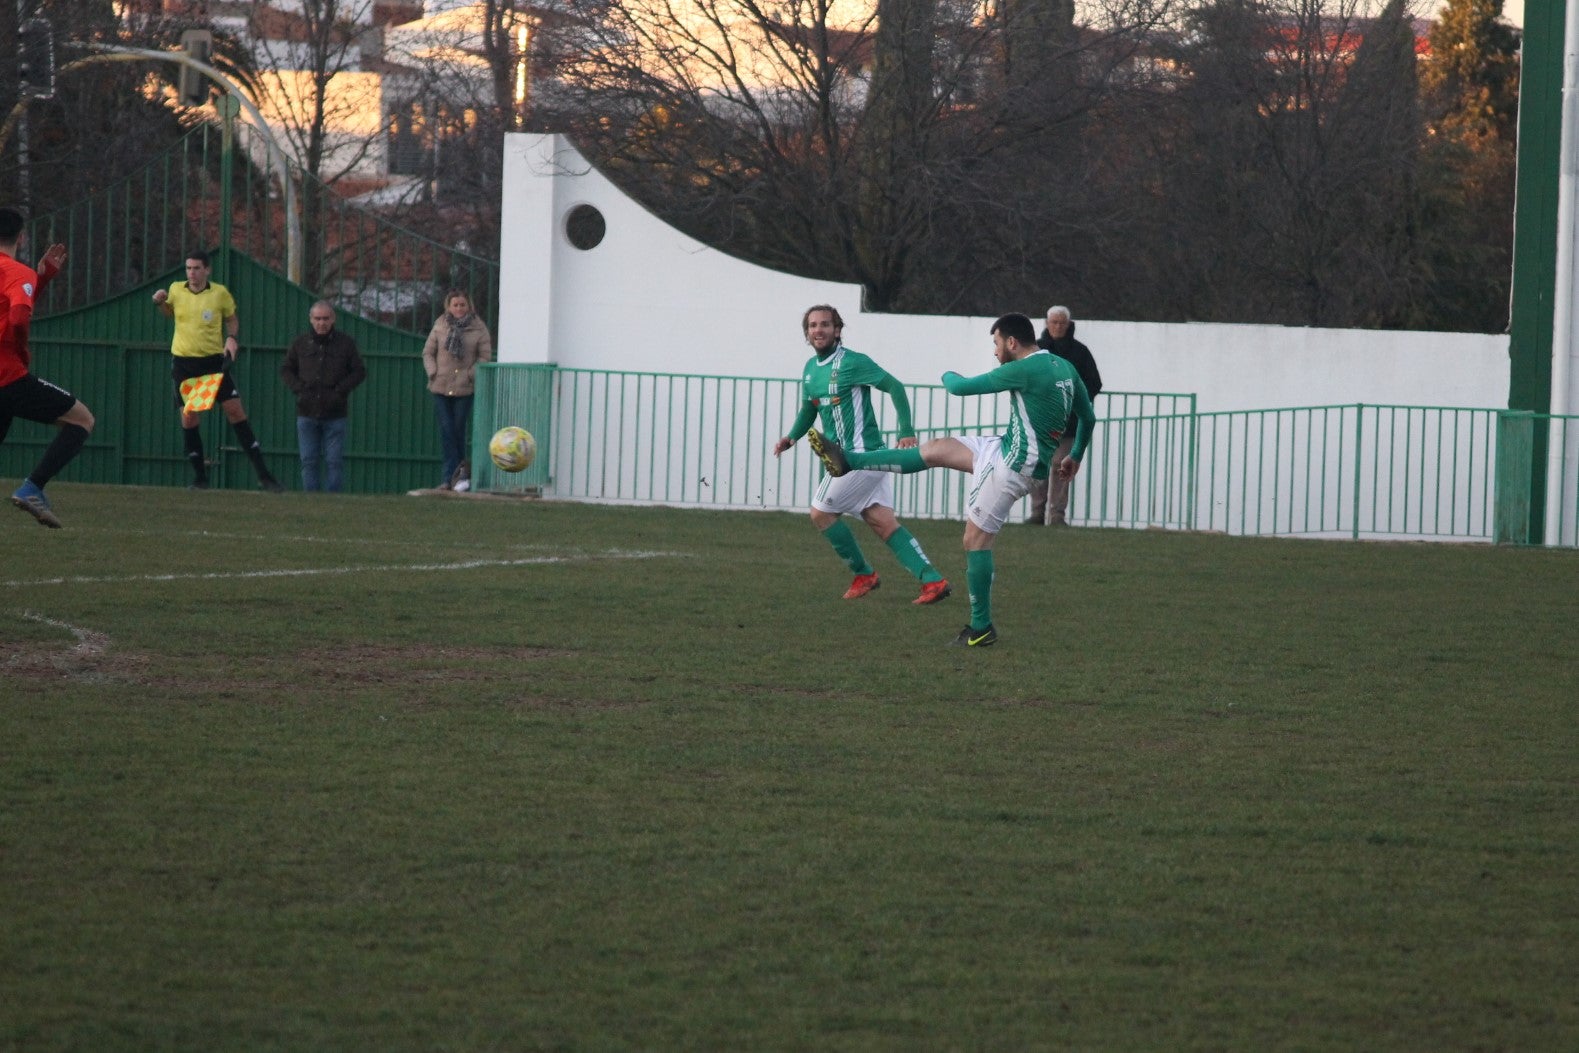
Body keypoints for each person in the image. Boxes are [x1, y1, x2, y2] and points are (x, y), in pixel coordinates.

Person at [807, 312, 1094, 647]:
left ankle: (981, 627)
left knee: (975, 541)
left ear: (1012, 342)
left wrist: (943, 371)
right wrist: (1075, 455)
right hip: (1003, 446)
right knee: (935, 450)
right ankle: (850, 461)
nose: (995, 351)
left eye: (996, 344)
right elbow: (1088, 416)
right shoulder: (1064, 367)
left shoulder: (1023, 369)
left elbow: (959, 388)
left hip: (1014, 467)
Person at [772, 304, 951, 604]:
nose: (818, 330)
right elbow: (809, 408)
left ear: (837, 330)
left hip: (859, 458)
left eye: (825, 324)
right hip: (858, 460)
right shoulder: (810, 369)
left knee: (820, 513)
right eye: (813, 325)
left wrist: (906, 429)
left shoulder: (853, 362)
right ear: (807, 333)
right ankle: (933, 581)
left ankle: (864, 574)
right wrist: (791, 438)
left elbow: (894, 386)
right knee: (882, 522)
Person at [151, 251, 284, 492]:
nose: (192, 273)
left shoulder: (219, 293)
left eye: (196, 268)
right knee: (190, 417)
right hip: (184, 364)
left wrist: (232, 338)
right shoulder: (176, 290)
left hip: (212, 363)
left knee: (235, 411)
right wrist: (161, 302)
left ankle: (264, 475)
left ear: (207, 270)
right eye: (189, 268)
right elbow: (169, 313)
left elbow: (232, 319)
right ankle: (200, 478)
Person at [1, 208, 96, 528]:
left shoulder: (22, 276)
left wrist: (40, 279)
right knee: (82, 419)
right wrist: (20, 349)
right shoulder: (18, 272)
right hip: (8, 376)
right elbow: (17, 318)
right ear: (22, 237)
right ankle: (32, 488)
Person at [280, 300, 367, 492]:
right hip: (306, 412)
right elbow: (286, 369)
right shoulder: (300, 343)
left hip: (335, 413)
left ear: (333, 319)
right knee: (308, 460)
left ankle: (333, 500)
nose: (322, 323)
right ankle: (311, 500)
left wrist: (340, 391)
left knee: (334, 461)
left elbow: (359, 371)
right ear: (311, 319)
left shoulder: (346, 344)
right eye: (318, 318)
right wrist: (300, 390)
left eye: (326, 318)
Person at [1029, 305, 1102, 525]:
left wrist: (1075, 401)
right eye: (1054, 322)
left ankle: (1057, 515)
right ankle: (1037, 513)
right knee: (1039, 466)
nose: (1058, 326)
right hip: (1040, 421)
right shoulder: (1036, 350)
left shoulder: (1080, 352)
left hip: (1070, 423)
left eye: (1062, 322)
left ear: (1068, 324)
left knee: (1062, 466)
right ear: (1046, 323)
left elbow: (1093, 383)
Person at [422, 289, 492, 490]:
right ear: (449, 306)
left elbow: (484, 356)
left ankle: (458, 477)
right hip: (440, 387)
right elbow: (428, 352)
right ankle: (453, 477)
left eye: (462, 305)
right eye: (455, 305)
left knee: (458, 430)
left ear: (468, 306)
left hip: (464, 388)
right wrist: (433, 372)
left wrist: (470, 374)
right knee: (447, 430)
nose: (459, 308)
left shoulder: (479, 328)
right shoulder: (440, 326)